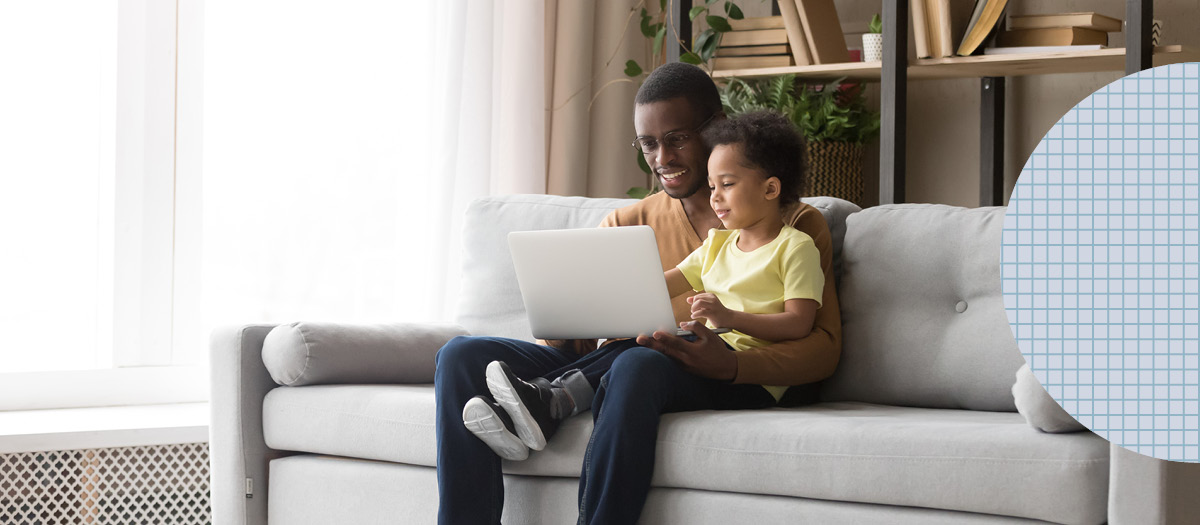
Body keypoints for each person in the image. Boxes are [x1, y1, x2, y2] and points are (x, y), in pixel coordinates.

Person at [434, 62, 843, 525]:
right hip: (607, 362)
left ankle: (556, 415)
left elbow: (822, 349)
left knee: (637, 360)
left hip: (676, 365)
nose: (662, 157)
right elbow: (580, 342)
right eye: (648, 144)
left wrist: (732, 364)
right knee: (459, 357)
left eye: (677, 138)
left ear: (716, 129)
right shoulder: (627, 224)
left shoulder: (792, 225)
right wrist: (570, 317)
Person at [478, 110, 822, 456]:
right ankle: (544, 398)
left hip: (753, 380)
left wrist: (731, 318)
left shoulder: (795, 246)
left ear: (771, 188)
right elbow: (654, 287)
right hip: (709, 353)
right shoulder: (717, 244)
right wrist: (580, 292)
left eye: (727, 185)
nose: (715, 196)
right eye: (712, 185)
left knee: (648, 352)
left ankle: (549, 400)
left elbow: (800, 323)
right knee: (642, 340)